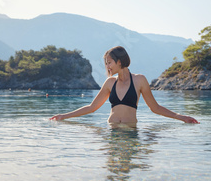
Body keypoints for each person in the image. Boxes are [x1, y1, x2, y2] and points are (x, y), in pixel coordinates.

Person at [50, 46, 199, 124]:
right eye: (106, 63)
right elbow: (91, 107)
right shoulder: (110, 82)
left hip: (130, 132)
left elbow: (155, 108)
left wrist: (181, 117)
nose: (107, 67)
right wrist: (64, 116)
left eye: (109, 62)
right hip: (112, 130)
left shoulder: (139, 80)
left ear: (119, 61)